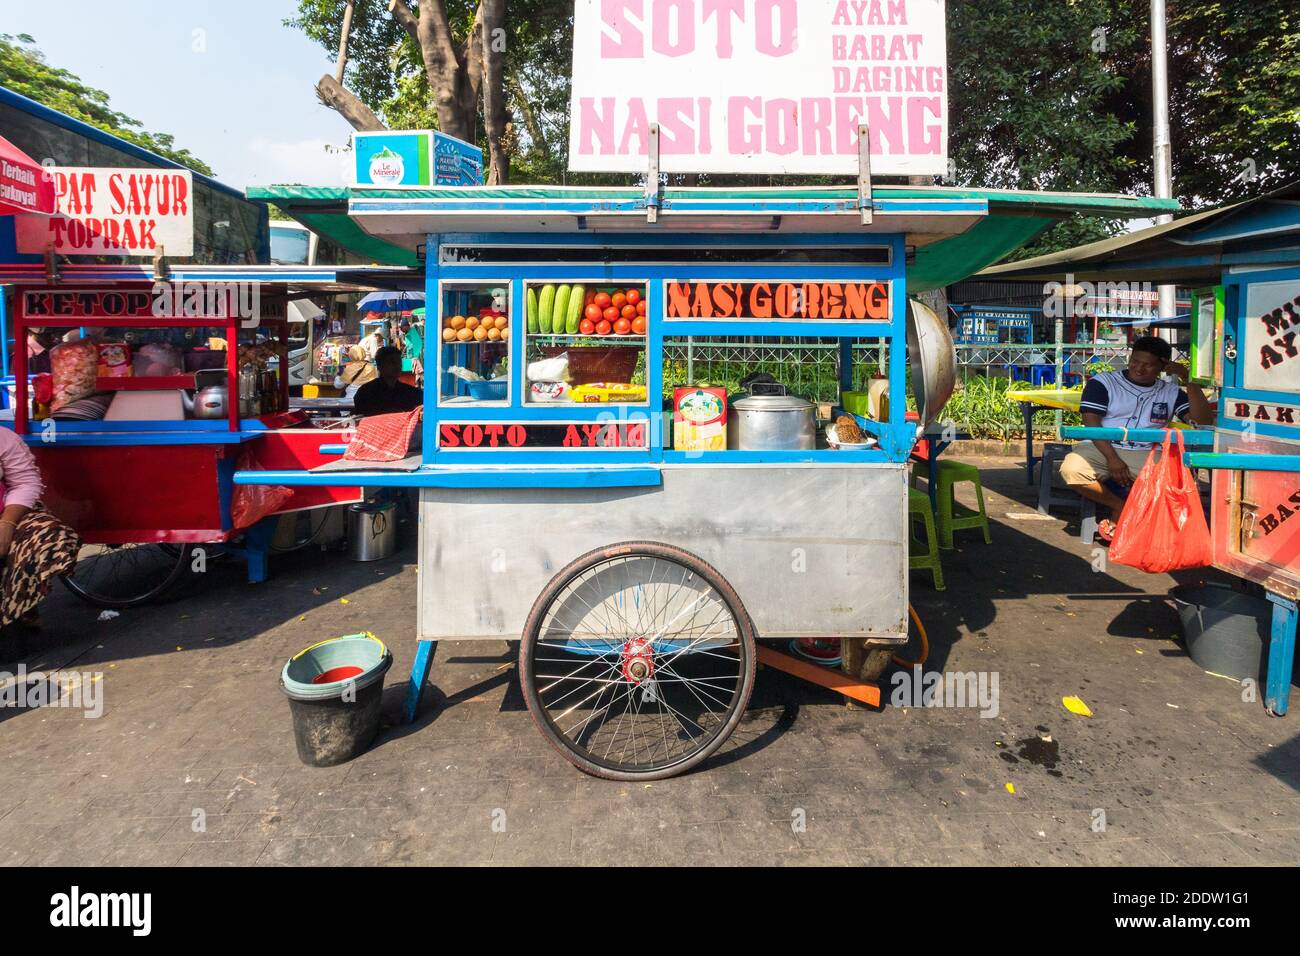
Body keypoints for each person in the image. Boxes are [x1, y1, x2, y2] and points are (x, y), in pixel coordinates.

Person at [1059, 335, 1213, 541]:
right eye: (1135, 361)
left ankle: (1148, 533)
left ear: (1163, 366)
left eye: (1148, 365)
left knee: (1173, 484)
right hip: (1101, 446)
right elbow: (1091, 422)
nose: (1139, 369)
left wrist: (1188, 379)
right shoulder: (1103, 382)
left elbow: (1203, 421)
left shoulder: (1171, 391)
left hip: (1146, 451)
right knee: (1072, 469)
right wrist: (1113, 459)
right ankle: (1121, 508)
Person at [0, 427, 81, 659]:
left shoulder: (3, 437)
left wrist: (7, 524)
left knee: (50, 536)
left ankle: (15, 610)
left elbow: (25, 482)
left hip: (7, 516)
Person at [353, 346, 423, 417]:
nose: (397, 365)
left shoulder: (411, 392)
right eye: (392, 362)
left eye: (399, 362)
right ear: (380, 366)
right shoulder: (366, 392)